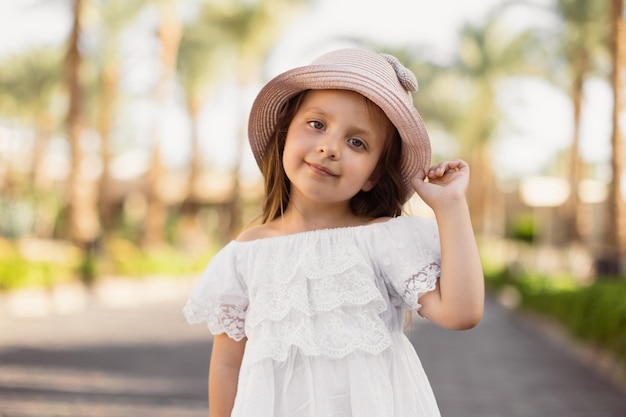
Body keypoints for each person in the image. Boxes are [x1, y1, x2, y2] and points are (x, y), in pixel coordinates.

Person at [183, 48, 484, 417]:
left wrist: (451, 206)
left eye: (357, 142)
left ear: (374, 174)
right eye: (317, 124)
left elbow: (461, 312)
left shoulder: (383, 240)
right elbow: (227, 364)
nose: (329, 147)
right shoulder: (245, 254)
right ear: (284, 134)